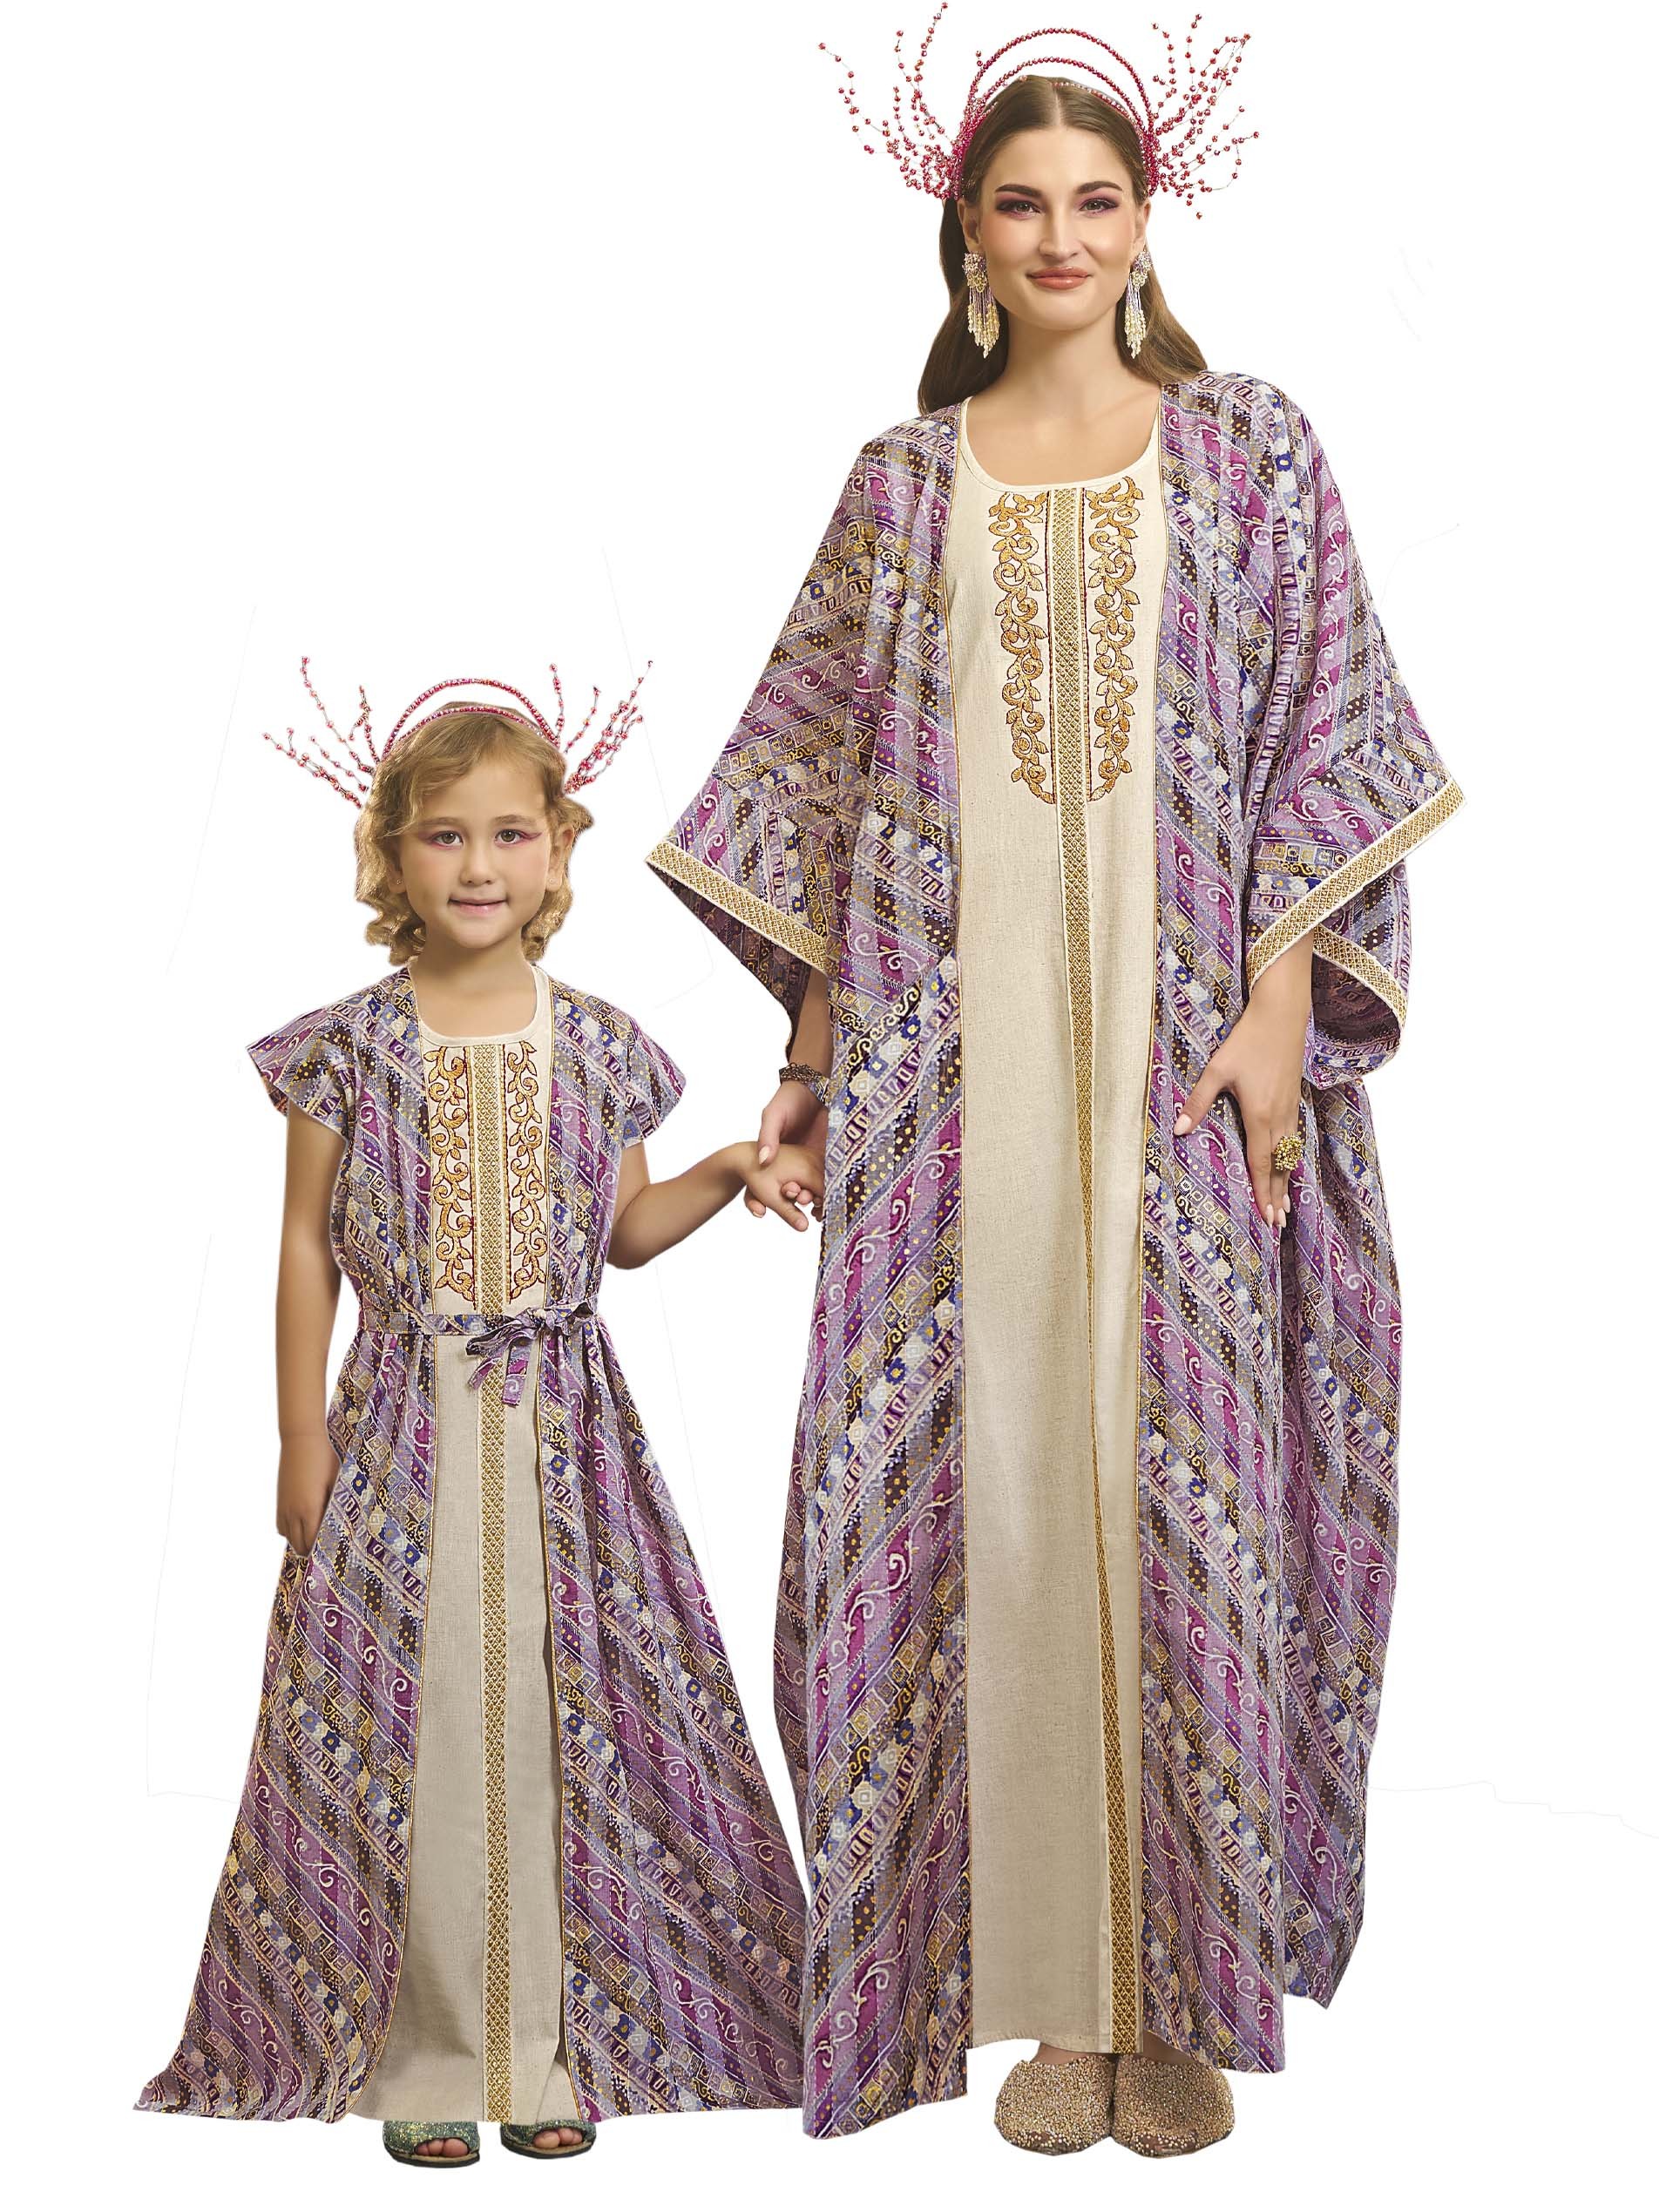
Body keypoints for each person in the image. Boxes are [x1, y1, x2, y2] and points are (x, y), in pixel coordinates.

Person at [647, 8, 1464, 2157]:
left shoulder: (1252, 451)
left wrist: (1280, 1000)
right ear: (967, 230)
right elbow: (823, 787)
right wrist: (807, 1059)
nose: (1060, 237)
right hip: (949, 1099)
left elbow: (1328, 731)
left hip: (1186, 1078)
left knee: (1185, 1504)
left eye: (1095, 200)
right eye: (1020, 204)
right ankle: (1042, 1992)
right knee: (988, 1495)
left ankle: (1175, 1986)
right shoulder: (898, 485)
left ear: (1145, 216)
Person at [138, 661, 821, 2166]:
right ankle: (429, 2053)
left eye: (512, 834)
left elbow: (621, 1236)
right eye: (444, 835)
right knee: (418, 1726)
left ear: (561, 851)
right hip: (402, 1434)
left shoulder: (604, 1046)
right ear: (391, 854)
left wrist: (729, 1169)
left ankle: (553, 2050)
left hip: (570, 1443)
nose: (479, 866)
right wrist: (300, 1436)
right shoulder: (345, 1049)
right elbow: (307, 1250)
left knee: (570, 1728)